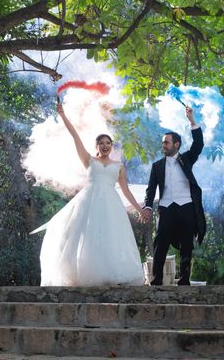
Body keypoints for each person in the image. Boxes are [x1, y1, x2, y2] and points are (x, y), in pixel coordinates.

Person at [38, 101, 146, 286]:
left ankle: (111, 273)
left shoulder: (118, 167)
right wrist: (63, 116)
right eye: (102, 143)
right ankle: (84, 273)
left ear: (112, 146)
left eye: (108, 143)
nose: (105, 146)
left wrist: (139, 209)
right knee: (87, 236)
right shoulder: (89, 160)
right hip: (89, 202)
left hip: (110, 204)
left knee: (111, 236)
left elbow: (126, 190)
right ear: (96, 146)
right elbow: (75, 137)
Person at [141, 105, 206, 285]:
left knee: (187, 242)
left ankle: (184, 279)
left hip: (186, 206)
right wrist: (147, 206)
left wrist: (192, 121)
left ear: (176, 144)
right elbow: (151, 189)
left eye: (166, 142)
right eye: (163, 143)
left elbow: (198, 144)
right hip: (166, 207)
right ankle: (157, 279)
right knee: (160, 242)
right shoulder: (157, 166)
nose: (163, 145)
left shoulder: (186, 159)